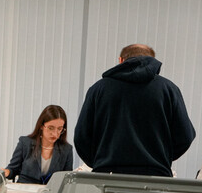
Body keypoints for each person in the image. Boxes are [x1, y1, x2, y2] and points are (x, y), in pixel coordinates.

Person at [74, 43, 195, 177]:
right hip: (156, 176)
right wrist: (162, 159)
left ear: (120, 60)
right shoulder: (168, 89)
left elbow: (82, 137)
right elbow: (185, 136)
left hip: (107, 176)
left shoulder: (98, 89)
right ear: (153, 61)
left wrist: (99, 162)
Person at [3, 105, 73, 184]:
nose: (55, 133)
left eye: (59, 129)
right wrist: (7, 172)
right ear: (41, 126)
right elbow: (13, 169)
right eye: (51, 128)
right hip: (25, 191)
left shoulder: (67, 149)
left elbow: (66, 179)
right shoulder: (25, 143)